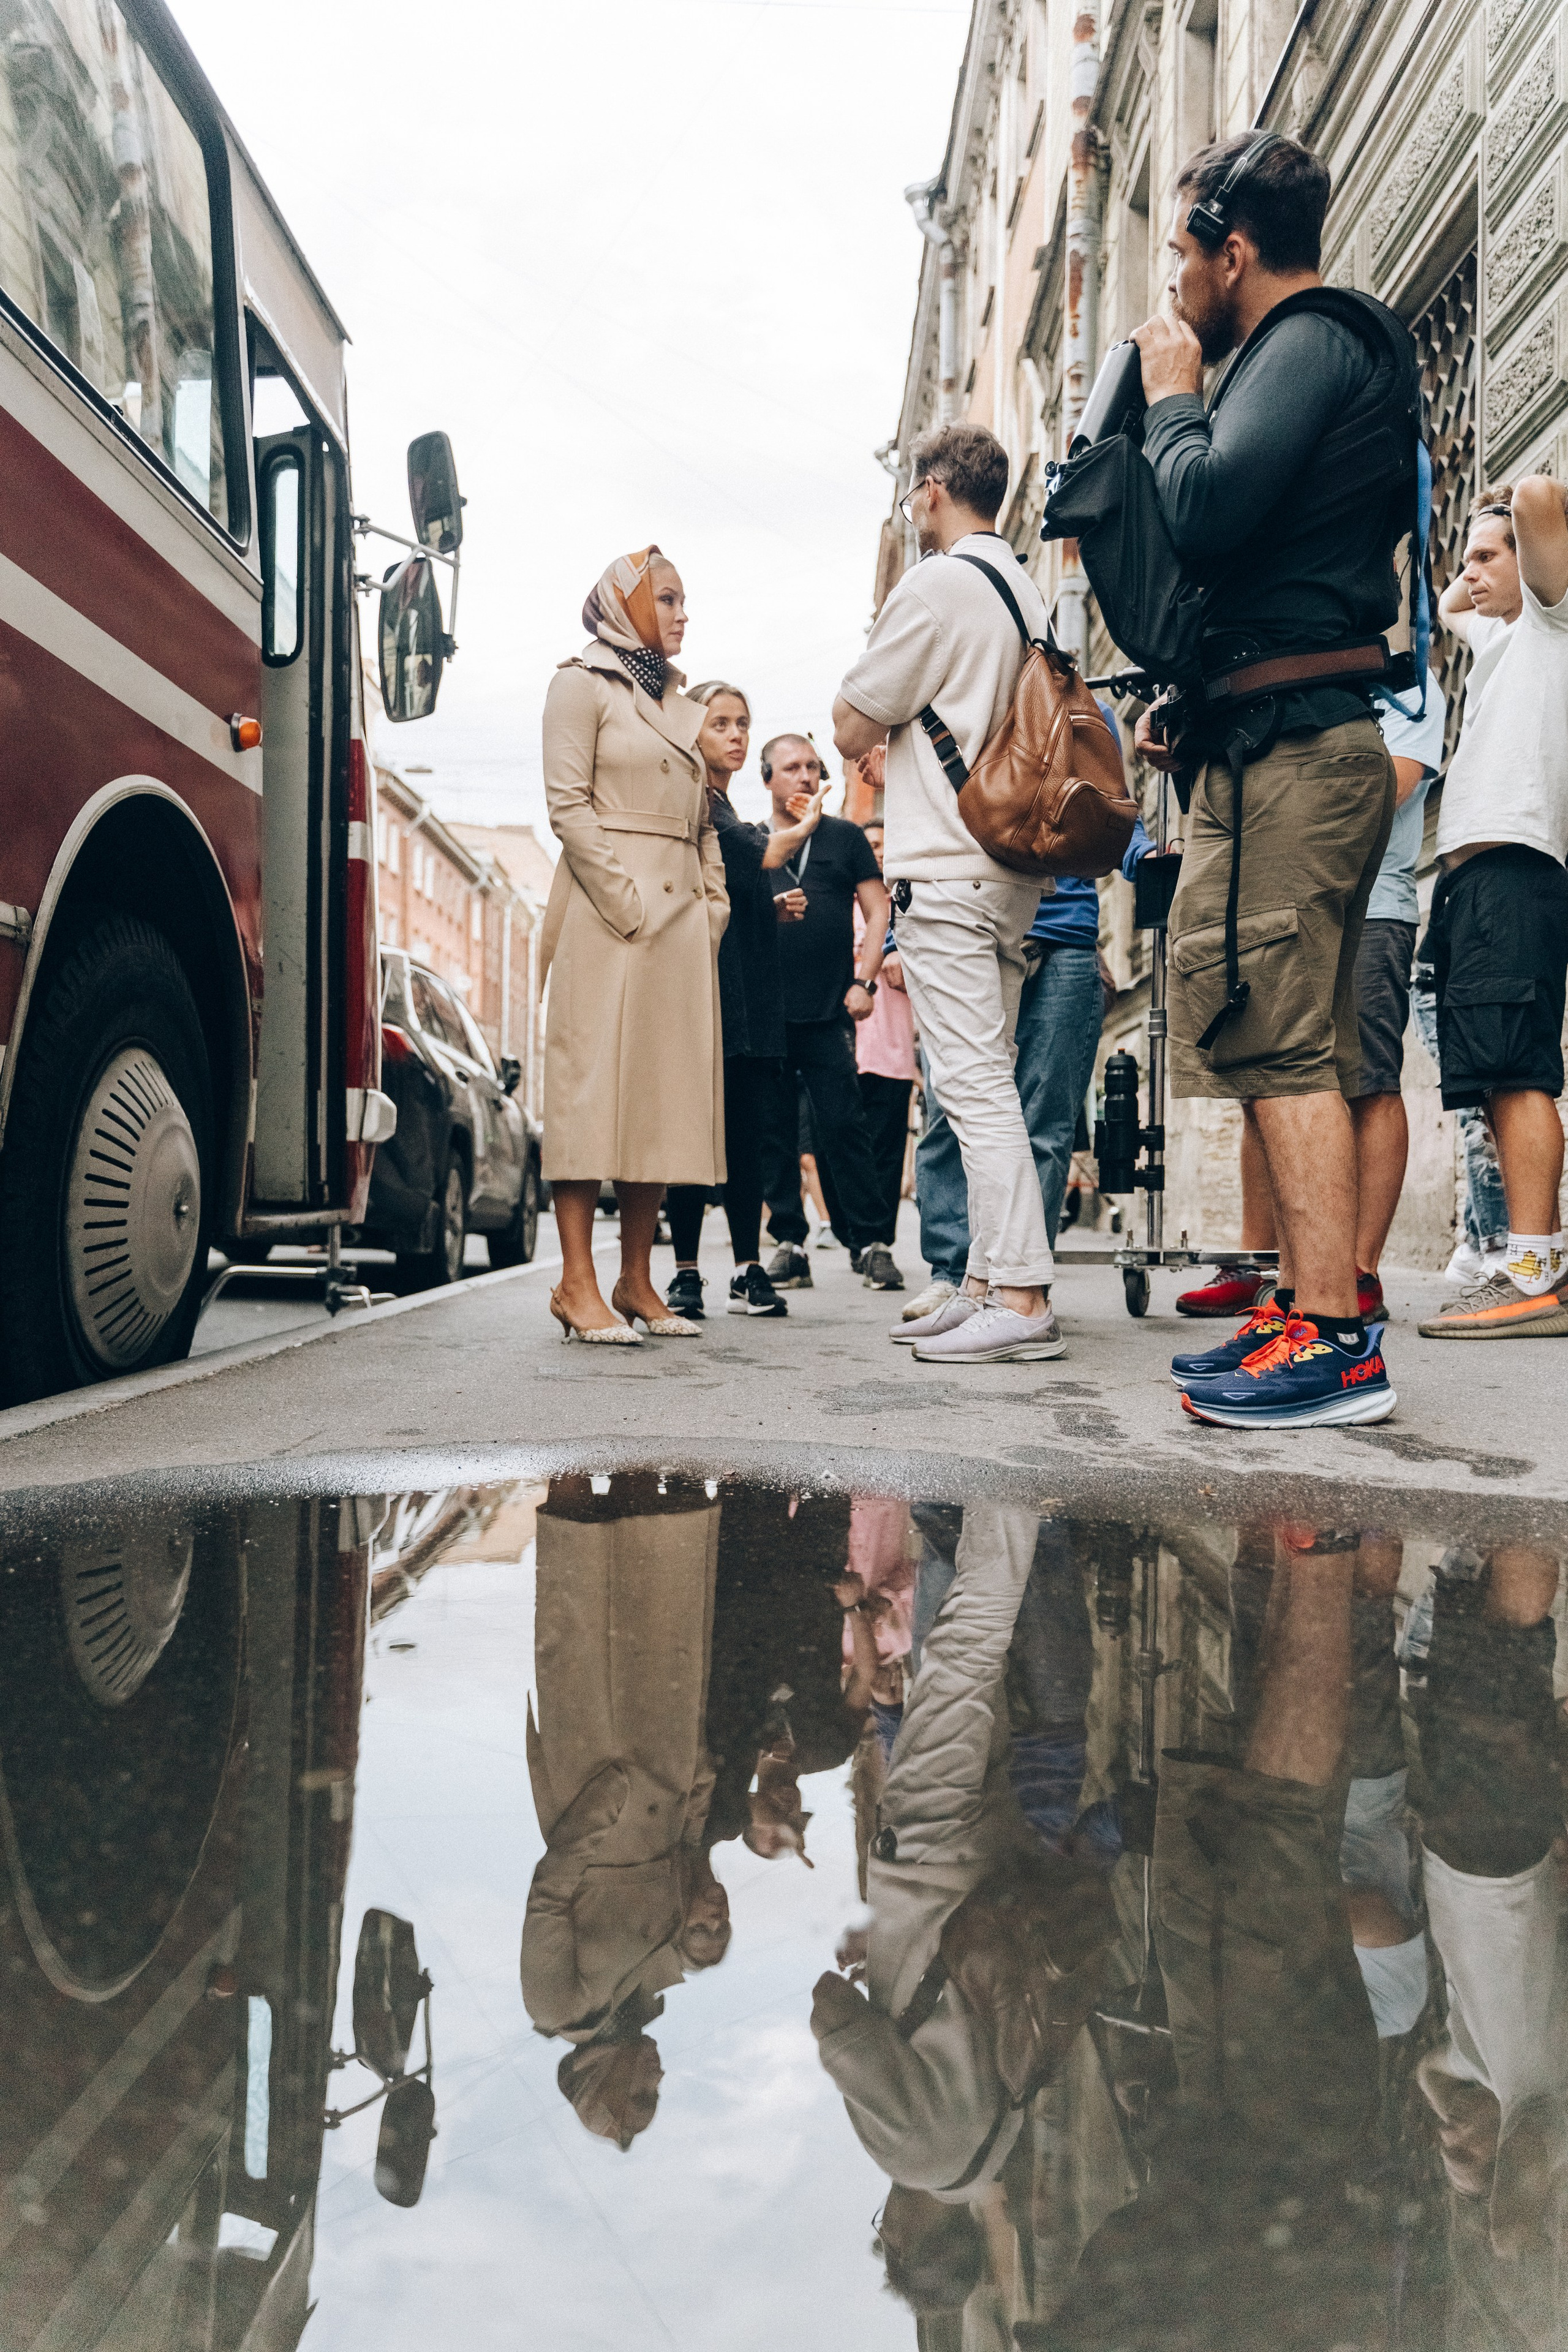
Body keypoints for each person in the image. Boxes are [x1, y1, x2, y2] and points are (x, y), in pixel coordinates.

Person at [1129, 132, 1418, 1428]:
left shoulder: (1307, 340)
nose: (1170, 282)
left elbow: (1202, 511)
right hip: (1261, 741)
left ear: (1230, 250)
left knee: (1290, 1038)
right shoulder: (1282, 360)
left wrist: (1175, 398)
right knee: (1259, 1029)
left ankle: (1334, 1339)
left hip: (1305, 752)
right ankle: (1302, 1314)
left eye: (1179, 251)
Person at [832, 421, 1068, 1365]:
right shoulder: (1026, 587)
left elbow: (853, 719)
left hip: (949, 866)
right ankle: (980, 1279)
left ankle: (1020, 1296)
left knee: (972, 1088)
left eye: (911, 494)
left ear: (932, 490)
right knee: (984, 1078)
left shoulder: (934, 586)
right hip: (1012, 869)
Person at [1176, 669, 1447, 1330]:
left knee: (1366, 1081)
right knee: (1264, 1073)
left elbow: (1376, 793)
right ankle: (1264, 1266)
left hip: (1371, 904)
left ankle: (1353, 1271)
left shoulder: (1407, 690)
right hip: (1282, 890)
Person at [892, 717, 1150, 1342]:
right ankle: (955, 1272)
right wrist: (896, 941)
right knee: (951, 1113)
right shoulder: (951, 702)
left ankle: (1020, 1279)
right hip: (969, 926)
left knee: (1046, 1120)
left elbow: (1110, 811)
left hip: (1064, 936)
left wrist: (1144, 854)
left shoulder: (1080, 709)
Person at [538, 546, 728, 1343]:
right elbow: (566, 804)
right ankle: (575, 1284)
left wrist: (712, 906)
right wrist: (624, 900)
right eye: (670, 599)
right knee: (591, 1096)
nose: (684, 614)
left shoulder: (683, 704)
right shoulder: (577, 685)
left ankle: (636, 1278)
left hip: (680, 928)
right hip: (608, 916)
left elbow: (705, 813)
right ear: (628, 606)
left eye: (686, 600)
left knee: (657, 1102)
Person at [1417, 481, 1568, 1340]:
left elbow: (1545, 501)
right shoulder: (1497, 638)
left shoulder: (1552, 618)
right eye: (1468, 558)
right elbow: (1447, 604)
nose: (1469, 574)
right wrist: (1480, 556)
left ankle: (1537, 1270)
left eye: (1488, 558)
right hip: (1472, 879)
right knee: (1491, 1075)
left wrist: (1511, 505)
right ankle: (1527, 1261)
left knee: (1519, 1071)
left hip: (1518, 868)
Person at [663, 682, 824, 1323]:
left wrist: (771, 906)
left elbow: (737, 880)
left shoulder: (724, 804)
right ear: (692, 733)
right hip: (705, 989)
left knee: (749, 1131)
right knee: (694, 1133)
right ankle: (684, 1274)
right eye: (720, 724)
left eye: (742, 724)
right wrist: (806, 823)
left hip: (752, 989)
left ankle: (745, 1268)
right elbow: (756, 853)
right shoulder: (696, 800)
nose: (735, 735)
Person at [756, 736, 902, 1292]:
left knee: (845, 1126)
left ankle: (871, 1243)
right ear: (767, 777)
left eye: (813, 768)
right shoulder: (753, 839)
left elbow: (877, 906)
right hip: (768, 1012)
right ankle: (790, 1243)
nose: (805, 777)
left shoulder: (843, 839)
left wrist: (864, 981)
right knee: (774, 1131)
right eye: (792, 768)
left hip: (828, 1009)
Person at [847, 820, 919, 1271]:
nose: (875, 852)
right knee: (847, 1147)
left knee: (888, 1153)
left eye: (882, 845)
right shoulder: (844, 903)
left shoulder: (909, 904)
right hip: (847, 1047)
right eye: (868, 844)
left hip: (893, 1051)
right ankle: (855, 1235)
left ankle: (879, 1243)